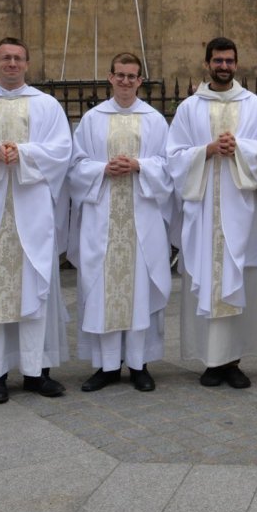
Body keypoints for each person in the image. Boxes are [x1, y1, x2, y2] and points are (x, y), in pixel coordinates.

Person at [0, 38, 72, 403]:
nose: (11, 64)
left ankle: (36, 371)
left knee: (34, 292)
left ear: (27, 64)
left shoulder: (47, 105)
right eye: (5, 58)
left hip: (32, 212)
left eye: (18, 59)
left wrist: (21, 153)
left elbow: (61, 152)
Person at [166, 37, 257, 388]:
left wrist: (239, 147)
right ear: (207, 63)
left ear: (237, 64)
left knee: (238, 280)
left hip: (240, 211)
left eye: (229, 60)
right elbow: (174, 156)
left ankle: (234, 361)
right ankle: (212, 363)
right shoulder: (189, 108)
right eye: (218, 60)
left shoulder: (255, 105)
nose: (224, 66)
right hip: (204, 211)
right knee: (207, 281)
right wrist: (208, 150)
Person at [69, 53, 173, 393]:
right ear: (110, 78)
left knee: (139, 290)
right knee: (103, 290)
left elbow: (168, 165)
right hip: (103, 219)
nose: (126, 81)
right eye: (120, 75)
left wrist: (141, 165)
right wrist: (102, 169)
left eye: (132, 76)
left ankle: (139, 364)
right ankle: (107, 365)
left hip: (141, 220)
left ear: (140, 81)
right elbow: (75, 165)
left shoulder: (155, 120)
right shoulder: (92, 119)